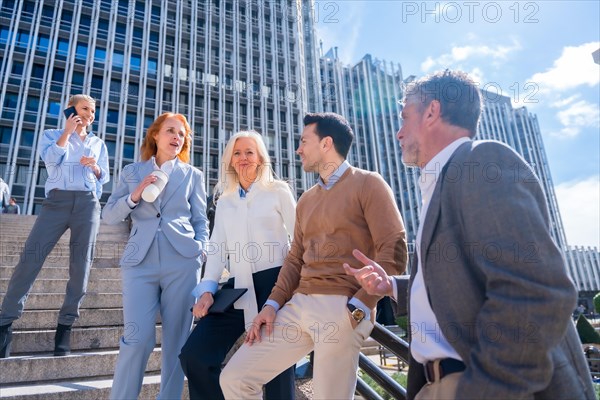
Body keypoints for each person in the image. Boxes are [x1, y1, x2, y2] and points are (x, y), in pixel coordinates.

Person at [344, 70, 595, 400]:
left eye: (405, 118)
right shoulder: (443, 182)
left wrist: (483, 389)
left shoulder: (482, 163)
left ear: (432, 112)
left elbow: (536, 292)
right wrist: (392, 285)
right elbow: (465, 284)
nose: (398, 132)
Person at [219, 112, 408, 399]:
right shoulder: (307, 199)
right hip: (296, 306)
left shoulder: (369, 183)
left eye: (304, 141)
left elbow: (393, 247)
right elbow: (295, 258)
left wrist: (359, 306)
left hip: (342, 307)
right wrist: (271, 304)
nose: (298, 149)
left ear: (326, 143)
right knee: (234, 378)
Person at [179, 130, 297, 400]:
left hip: (276, 287)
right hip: (238, 287)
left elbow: (300, 239)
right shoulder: (225, 200)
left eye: (249, 152)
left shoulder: (278, 191)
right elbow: (217, 248)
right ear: (230, 160)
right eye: (237, 152)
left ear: (260, 159)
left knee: (278, 371)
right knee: (194, 355)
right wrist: (207, 289)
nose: (243, 158)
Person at [102, 112, 209, 400]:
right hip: (140, 263)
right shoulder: (131, 171)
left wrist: (200, 249)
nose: (177, 137)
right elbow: (109, 215)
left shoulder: (193, 175)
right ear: (156, 135)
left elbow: (201, 220)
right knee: (136, 339)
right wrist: (134, 195)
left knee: (177, 343)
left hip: (183, 262)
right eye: (171, 131)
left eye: (182, 134)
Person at [0, 94, 109, 358]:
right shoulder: (52, 134)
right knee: (30, 259)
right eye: (85, 109)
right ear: (71, 109)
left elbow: (105, 177)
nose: (90, 115)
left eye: (93, 112)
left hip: (87, 204)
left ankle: (65, 328)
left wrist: (95, 168)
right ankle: (5, 323)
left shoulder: (97, 142)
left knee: (81, 267)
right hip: (56, 202)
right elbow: (51, 163)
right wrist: (68, 132)